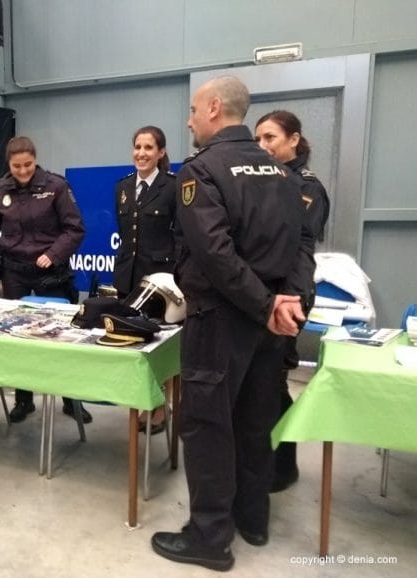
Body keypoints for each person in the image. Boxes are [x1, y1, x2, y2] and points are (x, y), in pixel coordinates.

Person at [150, 76, 315, 572]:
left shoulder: (201, 172)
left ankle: (209, 537)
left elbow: (216, 255)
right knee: (254, 420)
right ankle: (253, 519)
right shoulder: (284, 175)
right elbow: (304, 248)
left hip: (222, 320)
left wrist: (266, 305)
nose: (189, 119)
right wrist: (288, 302)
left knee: (206, 426)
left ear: (215, 108)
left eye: (193, 110)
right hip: (269, 326)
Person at [0, 136, 87, 424]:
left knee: (61, 338)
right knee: (18, 339)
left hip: (51, 273)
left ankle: (70, 399)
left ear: (35, 160)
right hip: (15, 273)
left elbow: (75, 229)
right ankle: (23, 400)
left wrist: (54, 254)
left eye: (28, 165)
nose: (23, 171)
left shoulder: (56, 186)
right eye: (17, 166)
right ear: (8, 164)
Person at [255, 110, 330, 492]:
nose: (263, 147)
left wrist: (287, 301)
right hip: (264, 295)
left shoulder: (306, 187)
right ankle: (269, 459)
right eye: (259, 140)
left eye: (270, 138)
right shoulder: (267, 181)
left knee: (274, 381)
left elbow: (296, 247)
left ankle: (284, 465)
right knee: (264, 382)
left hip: (290, 294)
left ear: (294, 140)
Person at [114, 126, 176, 435]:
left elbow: (180, 236)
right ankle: (139, 404)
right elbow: (127, 236)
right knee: (134, 345)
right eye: (137, 146)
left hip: (161, 283)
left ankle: (160, 408)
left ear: (161, 152)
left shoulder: (173, 187)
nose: (141, 153)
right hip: (129, 278)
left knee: (158, 346)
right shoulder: (123, 187)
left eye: (149, 147)